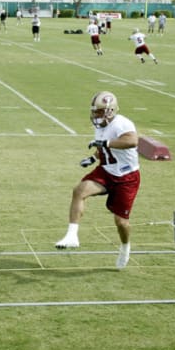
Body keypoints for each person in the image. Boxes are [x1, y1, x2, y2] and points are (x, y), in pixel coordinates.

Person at [56, 91, 141, 269]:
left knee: (121, 222)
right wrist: (94, 158)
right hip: (106, 171)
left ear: (110, 111)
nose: (96, 115)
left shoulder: (122, 123)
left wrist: (105, 144)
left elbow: (132, 141)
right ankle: (72, 235)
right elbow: (103, 145)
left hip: (126, 177)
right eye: (95, 111)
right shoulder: (101, 125)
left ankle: (125, 247)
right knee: (79, 190)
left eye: (100, 112)